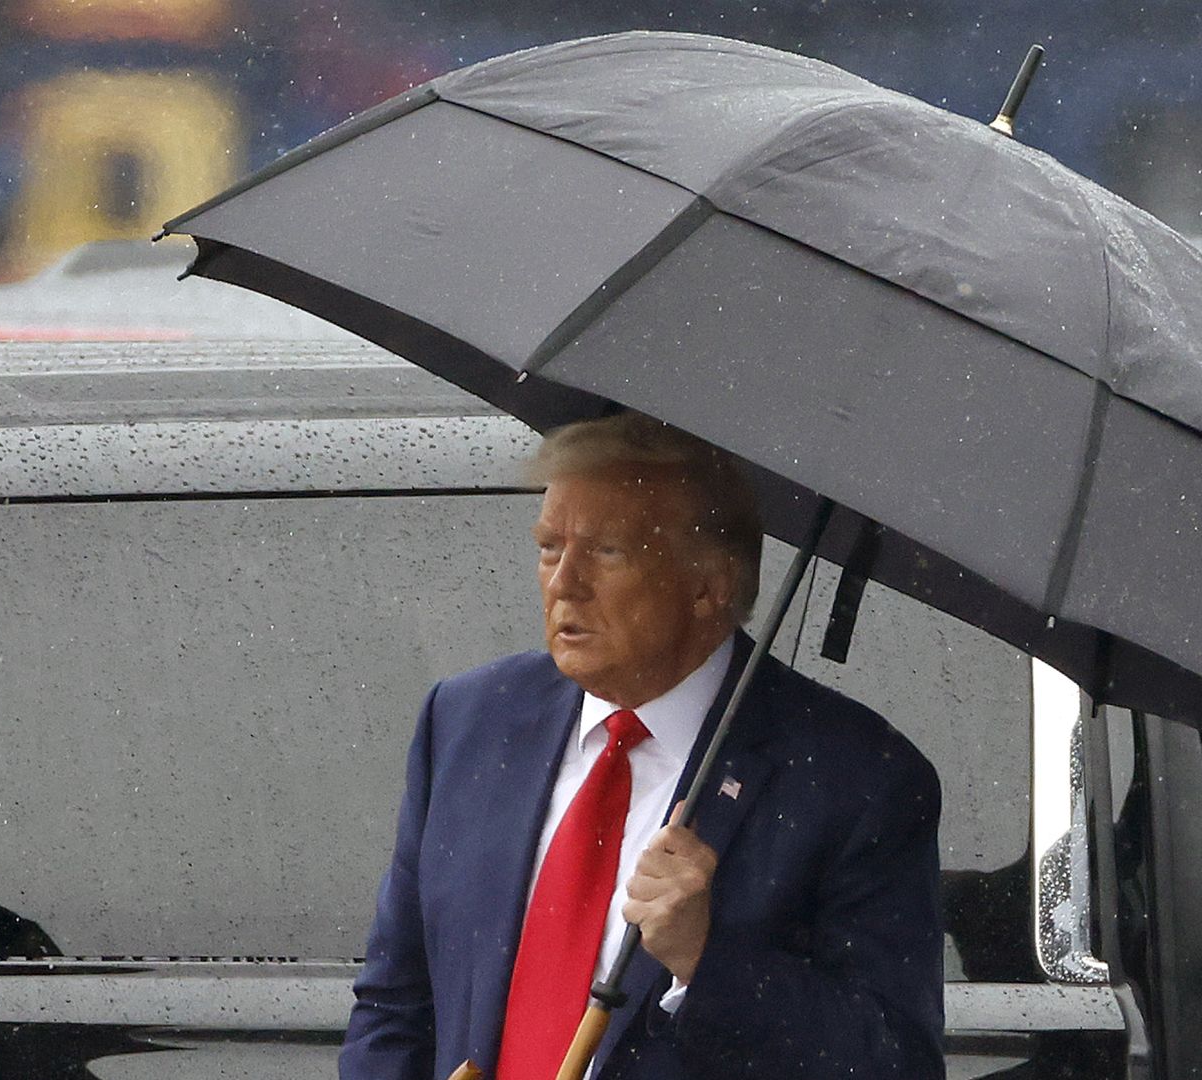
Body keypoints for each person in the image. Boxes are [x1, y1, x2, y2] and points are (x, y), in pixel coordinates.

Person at [339, 413, 944, 1080]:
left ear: (709, 585)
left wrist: (707, 960)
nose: (563, 582)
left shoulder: (856, 778)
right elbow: (395, 1004)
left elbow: (895, 1062)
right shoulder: (468, 721)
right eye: (548, 548)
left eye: (605, 552)